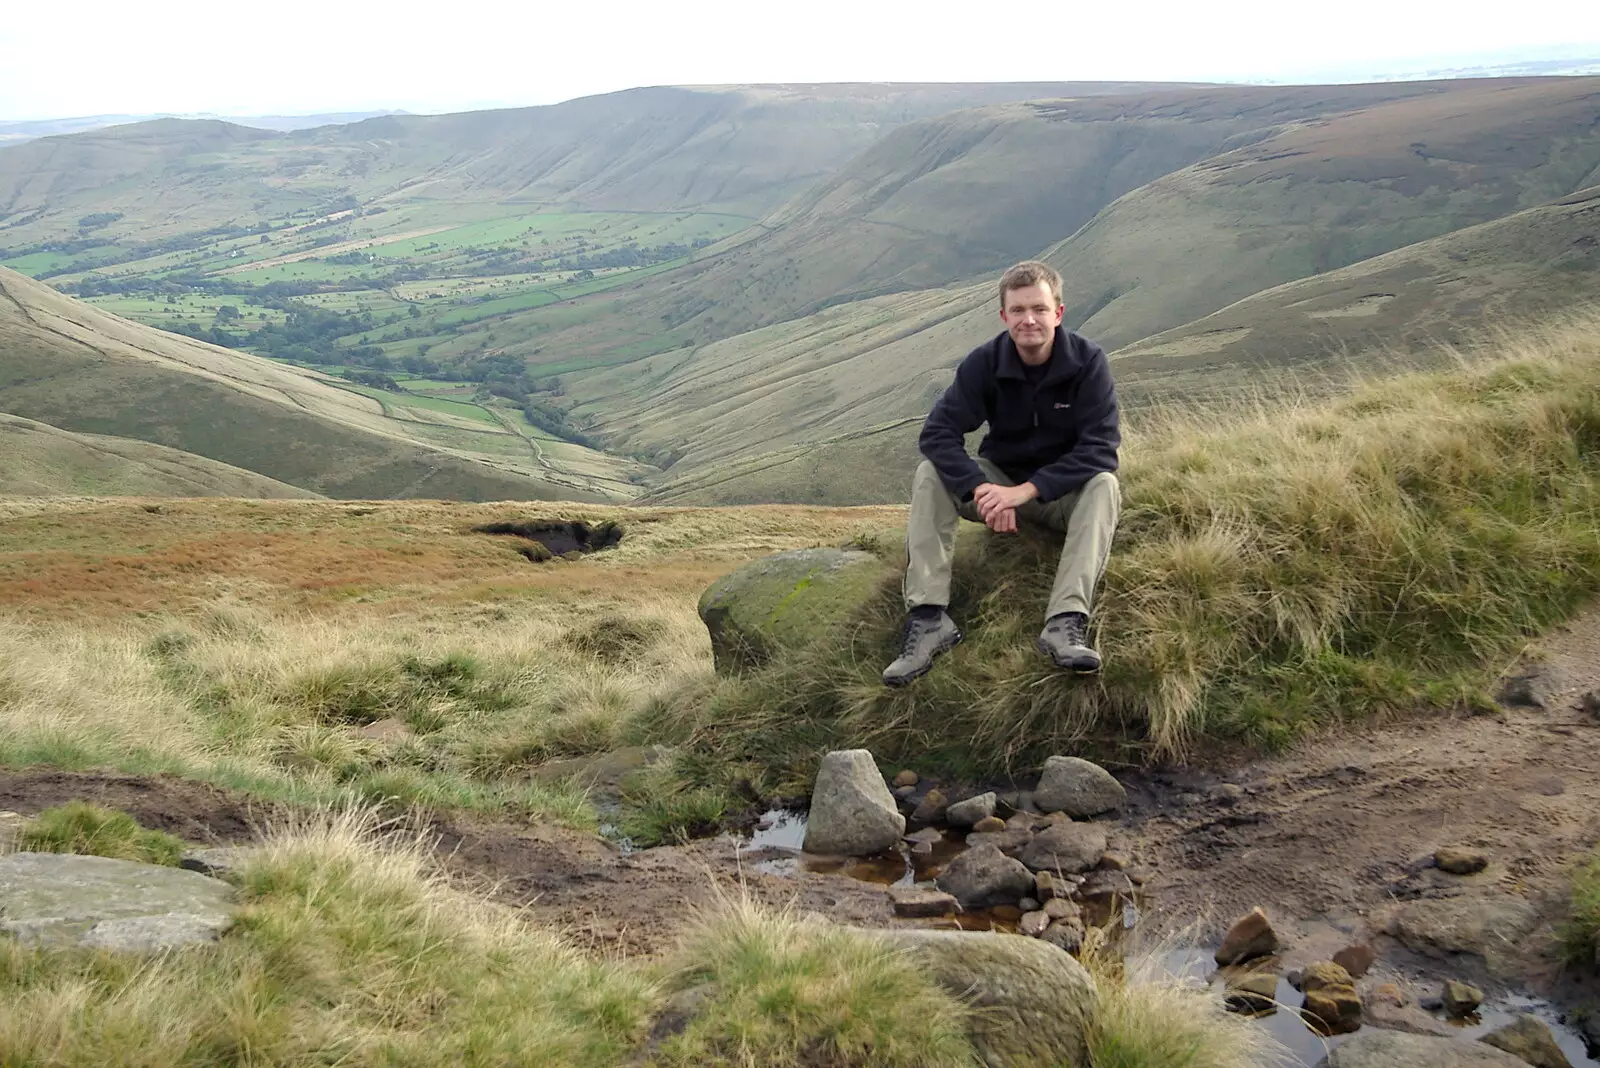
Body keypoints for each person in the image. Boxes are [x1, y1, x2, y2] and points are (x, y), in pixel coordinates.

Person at [883, 260, 1121, 686]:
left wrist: (1025, 492)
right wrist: (982, 489)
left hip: (1058, 497)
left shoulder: (1089, 364)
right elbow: (937, 434)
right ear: (1004, 316)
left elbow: (1100, 450)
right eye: (1018, 310)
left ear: (1058, 313)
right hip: (999, 483)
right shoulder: (985, 363)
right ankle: (928, 617)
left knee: (1104, 485)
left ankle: (1065, 622)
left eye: (1039, 309)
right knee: (930, 473)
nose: (1029, 319)